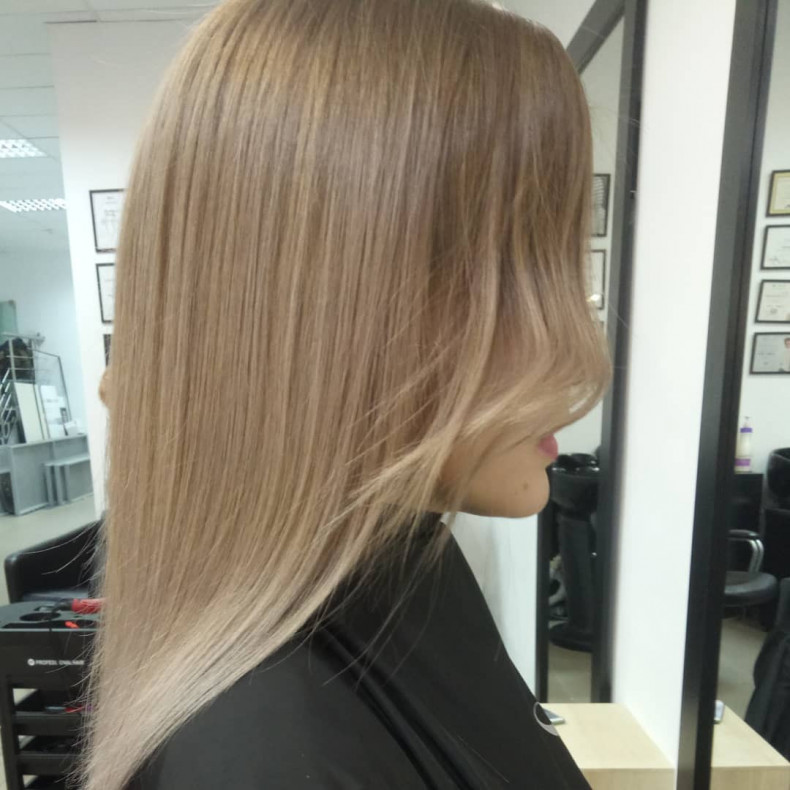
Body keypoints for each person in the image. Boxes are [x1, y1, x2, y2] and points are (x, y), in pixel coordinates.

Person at [74, 0, 610, 787]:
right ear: (331, 318)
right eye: (516, 275)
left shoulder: (399, 566)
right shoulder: (273, 754)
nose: (574, 348)